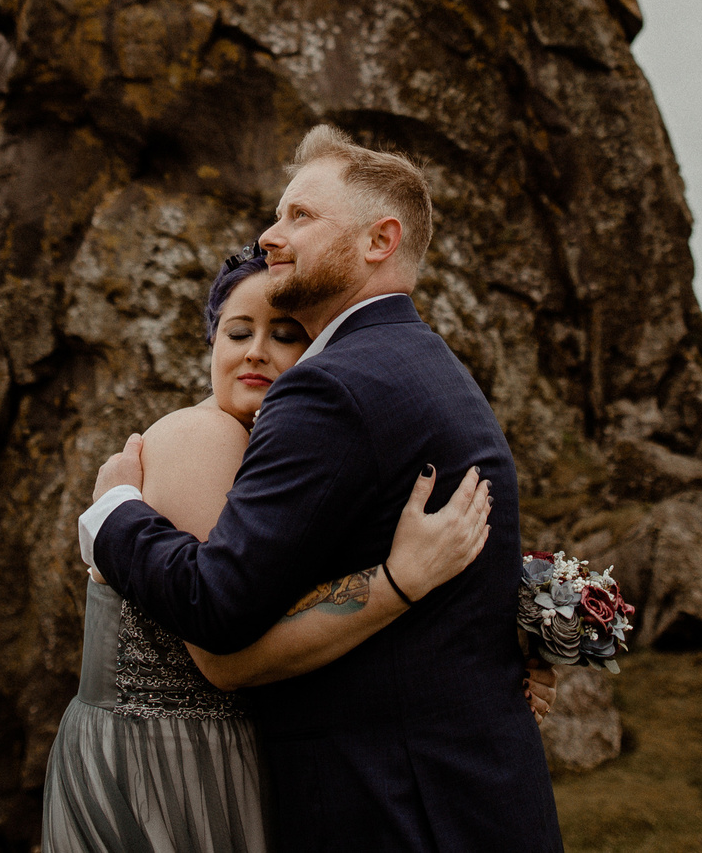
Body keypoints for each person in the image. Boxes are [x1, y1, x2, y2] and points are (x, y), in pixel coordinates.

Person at [82, 126, 564, 852]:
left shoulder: (331, 388)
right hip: (472, 798)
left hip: (398, 810)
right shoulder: (426, 362)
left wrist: (113, 514)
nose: (271, 235)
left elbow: (217, 604)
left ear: (380, 240)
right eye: (278, 215)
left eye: (299, 216)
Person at [40, 244, 495, 853]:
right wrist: (399, 581)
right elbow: (222, 654)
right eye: (237, 332)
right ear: (211, 344)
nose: (255, 351)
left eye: (283, 335)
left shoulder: (271, 456)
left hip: (217, 755)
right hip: (168, 766)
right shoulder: (204, 436)